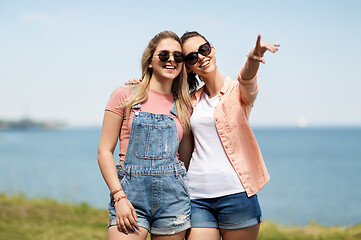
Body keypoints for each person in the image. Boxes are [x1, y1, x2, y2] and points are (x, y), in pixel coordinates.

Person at [179, 31, 279, 240]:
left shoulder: (238, 91)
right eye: (192, 57)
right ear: (188, 66)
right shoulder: (189, 101)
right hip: (197, 198)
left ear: (212, 49)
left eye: (204, 49)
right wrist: (141, 83)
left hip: (237, 196)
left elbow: (247, 77)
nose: (201, 57)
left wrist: (252, 60)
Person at [97, 30, 193, 240]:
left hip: (173, 201)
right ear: (150, 61)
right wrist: (119, 197)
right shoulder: (125, 96)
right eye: (164, 54)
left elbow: (184, 160)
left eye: (178, 56)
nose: (171, 60)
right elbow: (104, 151)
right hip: (130, 198)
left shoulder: (185, 105)